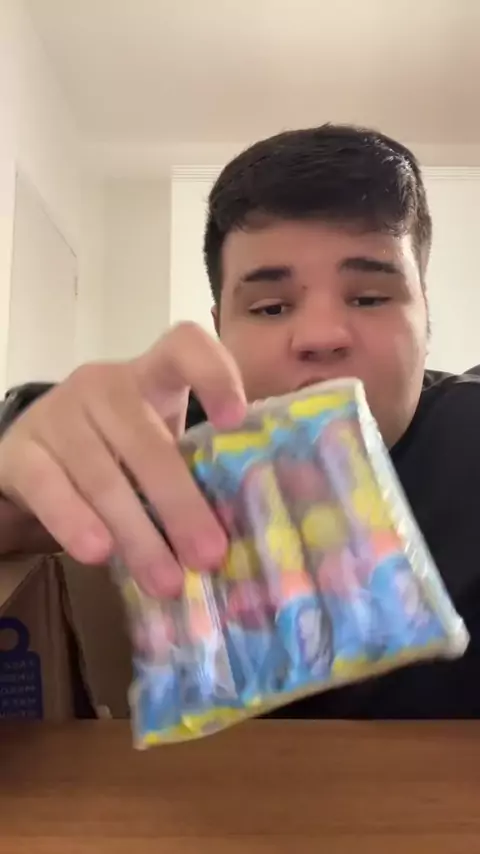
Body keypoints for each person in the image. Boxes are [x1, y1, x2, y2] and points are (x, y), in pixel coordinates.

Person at [1, 123, 479, 718]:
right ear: (220, 330)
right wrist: (16, 484)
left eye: (369, 298)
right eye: (271, 308)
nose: (321, 336)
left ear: (425, 314)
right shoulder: (164, 441)